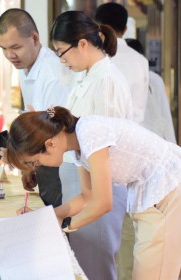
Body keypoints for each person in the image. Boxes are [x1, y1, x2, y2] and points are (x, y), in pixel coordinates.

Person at [6, 106, 181, 280]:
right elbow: (88, 196)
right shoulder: (77, 143)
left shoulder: (89, 134)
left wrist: (65, 226)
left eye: (35, 162)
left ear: (50, 144)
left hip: (166, 189)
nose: (38, 167)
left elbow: (103, 203)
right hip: (153, 193)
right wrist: (47, 217)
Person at [50, 10, 133, 280]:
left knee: (95, 267)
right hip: (86, 182)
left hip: (102, 185)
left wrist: (69, 221)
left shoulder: (106, 79)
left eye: (62, 52)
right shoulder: (87, 77)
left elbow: (106, 146)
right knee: (83, 265)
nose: (62, 60)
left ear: (82, 44)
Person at [0, 8, 81, 207]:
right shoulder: (26, 67)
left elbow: (53, 121)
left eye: (16, 47)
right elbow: (38, 115)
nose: (10, 55)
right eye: (3, 48)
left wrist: (26, 161)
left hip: (59, 160)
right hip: (42, 156)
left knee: (58, 221)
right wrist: (29, 167)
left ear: (35, 39)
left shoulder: (52, 72)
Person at [94, 5, 150, 279]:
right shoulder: (139, 60)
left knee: (102, 235)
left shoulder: (100, 59)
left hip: (106, 155)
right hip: (135, 152)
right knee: (130, 231)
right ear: (126, 29)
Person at [95, 2, 149, 124]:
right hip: (135, 134)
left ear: (98, 28)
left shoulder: (95, 56)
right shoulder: (141, 60)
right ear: (125, 29)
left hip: (101, 135)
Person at [126, 38, 176, 143]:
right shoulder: (155, 78)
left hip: (140, 139)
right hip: (155, 139)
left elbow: (164, 114)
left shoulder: (152, 79)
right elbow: (165, 115)